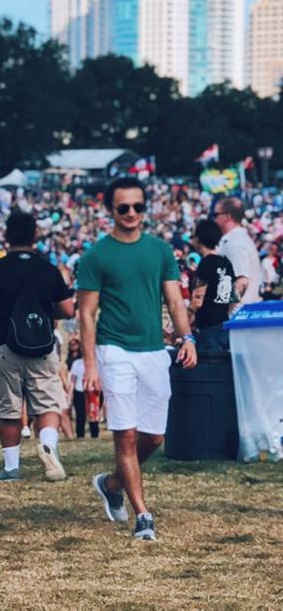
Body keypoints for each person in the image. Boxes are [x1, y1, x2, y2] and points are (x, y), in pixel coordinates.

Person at [78, 179, 196, 544]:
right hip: (115, 351)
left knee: (154, 437)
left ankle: (112, 484)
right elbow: (86, 313)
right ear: (110, 210)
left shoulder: (160, 251)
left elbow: (175, 301)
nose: (131, 214)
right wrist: (91, 366)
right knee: (125, 435)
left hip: (152, 351)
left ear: (145, 208)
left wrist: (186, 337)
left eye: (137, 207)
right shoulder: (96, 255)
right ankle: (143, 516)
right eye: (123, 207)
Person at [0, 207, 75, 483]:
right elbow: (67, 308)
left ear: (7, 236)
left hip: (5, 346)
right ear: (34, 236)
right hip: (42, 346)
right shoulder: (47, 268)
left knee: (10, 410)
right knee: (48, 404)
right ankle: (49, 445)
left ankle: (12, 467)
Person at [188, 219, 238, 356]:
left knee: (208, 373)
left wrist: (185, 319)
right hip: (225, 327)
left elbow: (198, 300)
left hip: (208, 331)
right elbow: (235, 296)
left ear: (198, 239)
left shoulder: (205, 263)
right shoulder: (226, 262)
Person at [213, 197, 261, 304]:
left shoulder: (235, 243)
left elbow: (242, 282)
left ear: (227, 217)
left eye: (216, 215)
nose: (214, 219)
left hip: (235, 315)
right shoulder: (237, 239)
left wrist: (222, 307)